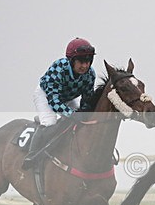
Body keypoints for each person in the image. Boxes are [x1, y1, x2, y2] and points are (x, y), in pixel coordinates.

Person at [21, 37, 98, 170]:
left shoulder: (90, 74)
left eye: (88, 61)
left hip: (68, 97)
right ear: (71, 60)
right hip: (46, 96)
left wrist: (83, 113)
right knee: (50, 122)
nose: (85, 66)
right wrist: (71, 114)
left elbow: (87, 99)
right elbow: (53, 101)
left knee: (82, 121)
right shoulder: (58, 68)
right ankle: (31, 155)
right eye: (81, 61)